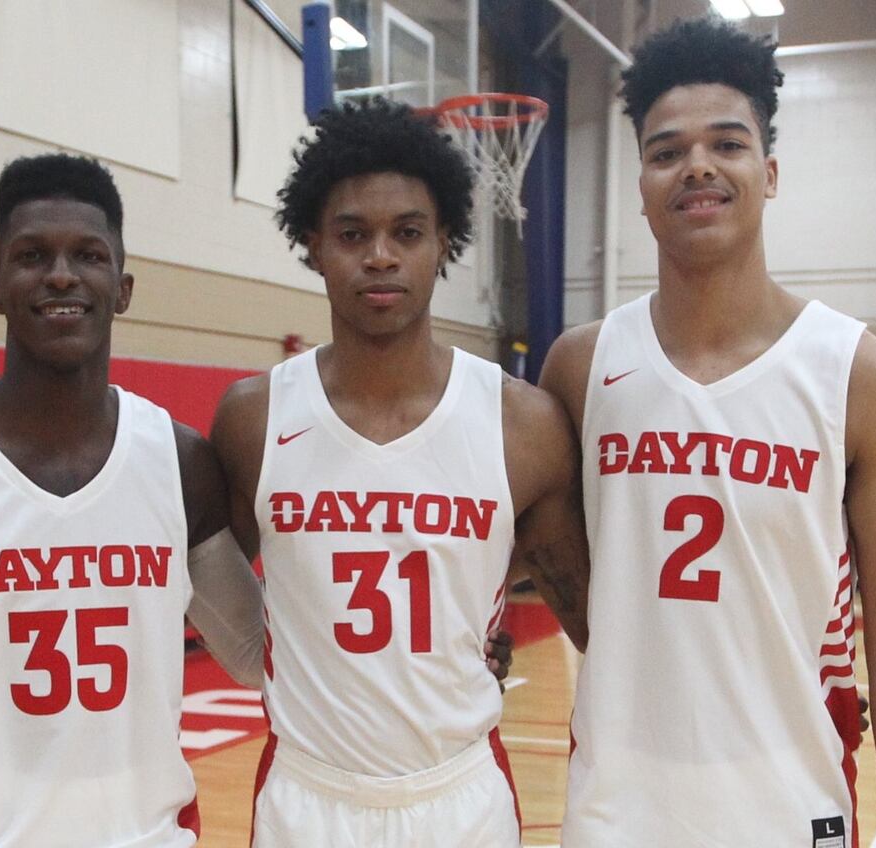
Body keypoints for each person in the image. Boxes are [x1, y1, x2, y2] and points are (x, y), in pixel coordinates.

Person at [541, 18, 876, 848]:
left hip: (791, 799)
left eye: (727, 143)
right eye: (666, 151)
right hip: (617, 806)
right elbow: (549, 554)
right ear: (643, 184)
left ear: (769, 172)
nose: (696, 165)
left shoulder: (865, 376)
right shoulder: (581, 368)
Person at [0, 153, 266, 847]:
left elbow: (254, 649)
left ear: (122, 288)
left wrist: (460, 647)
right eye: (32, 255)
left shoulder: (182, 465)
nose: (61, 274)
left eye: (88, 255)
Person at [211, 99, 591, 847]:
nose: (380, 256)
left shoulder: (523, 425)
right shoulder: (255, 418)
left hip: (460, 796)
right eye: (353, 234)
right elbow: (203, 577)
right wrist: (282, 668)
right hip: (306, 796)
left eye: (407, 233)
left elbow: (595, 622)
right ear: (313, 245)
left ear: (443, 242)